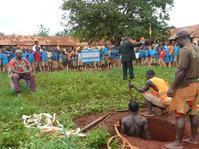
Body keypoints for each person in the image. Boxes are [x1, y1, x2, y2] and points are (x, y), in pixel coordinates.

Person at [165, 30, 199, 149]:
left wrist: (172, 87)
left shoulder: (184, 51)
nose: (176, 42)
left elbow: (182, 71)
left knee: (180, 114)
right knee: (193, 113)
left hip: (184, 87)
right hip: (196, 85)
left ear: (181, 38)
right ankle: (194, 138)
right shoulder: (196, 48)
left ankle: (178, 143)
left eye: (177, 40)